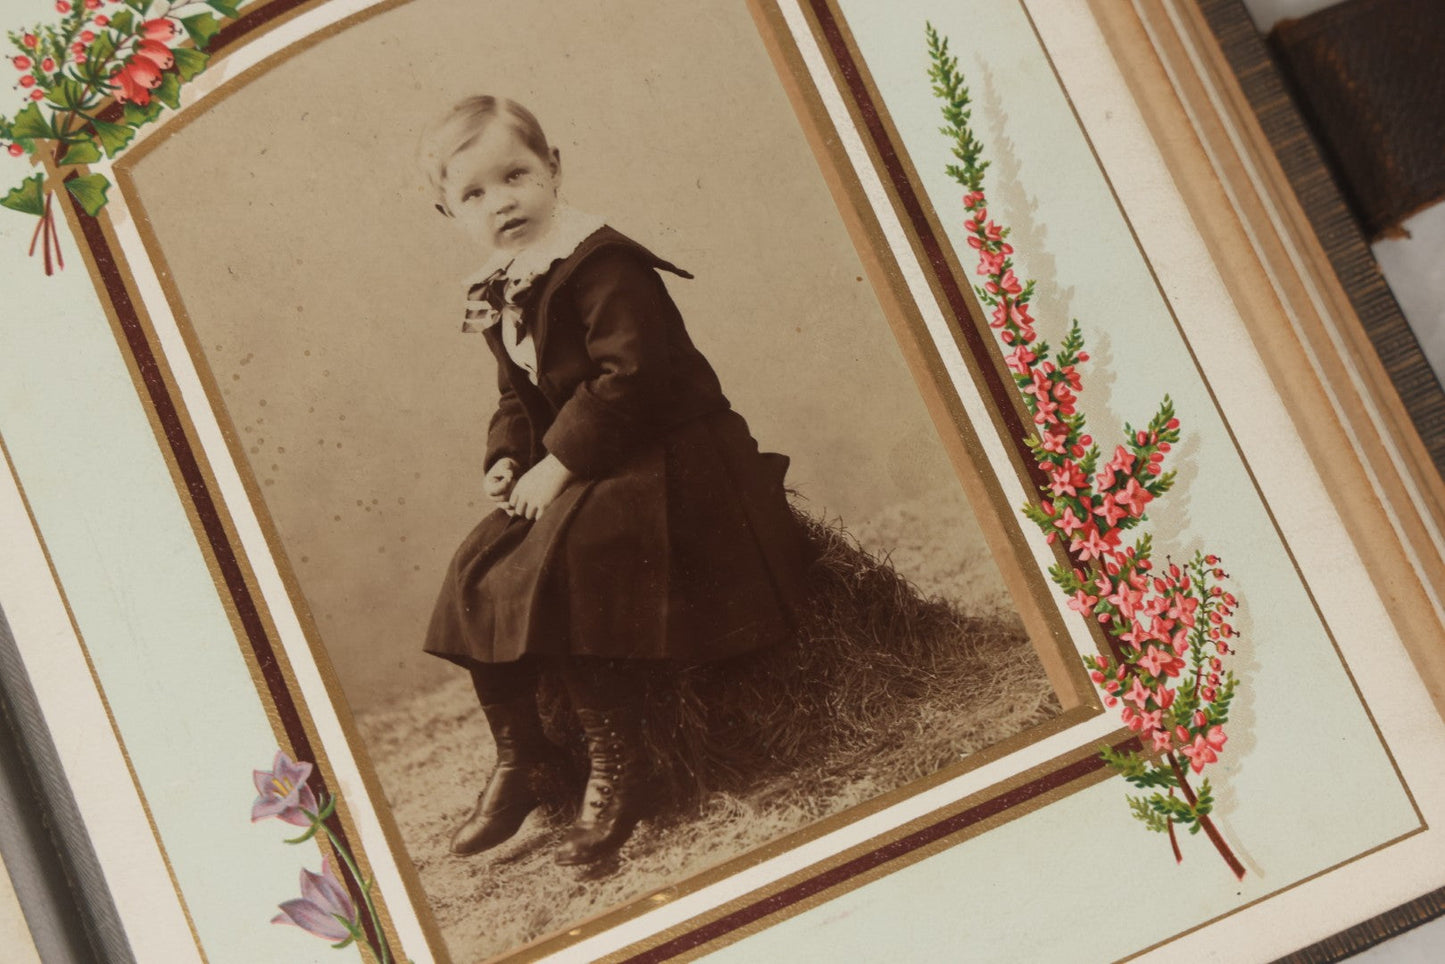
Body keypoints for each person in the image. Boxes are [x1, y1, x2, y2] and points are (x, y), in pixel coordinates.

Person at [417, 96, 809, 866]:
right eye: (474, 193)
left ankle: (618, 766)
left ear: (553, 169)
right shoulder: (504, 285)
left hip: (675, 452)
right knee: (477, 563)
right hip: (599, 455)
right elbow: (518, 395)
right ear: (447, 211)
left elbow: (632, 378)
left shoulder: (602, 264)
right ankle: (524, 761)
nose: (502, 202)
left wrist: (558, 465)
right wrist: (507, 456)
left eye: (515, 175)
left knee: (572, 558)